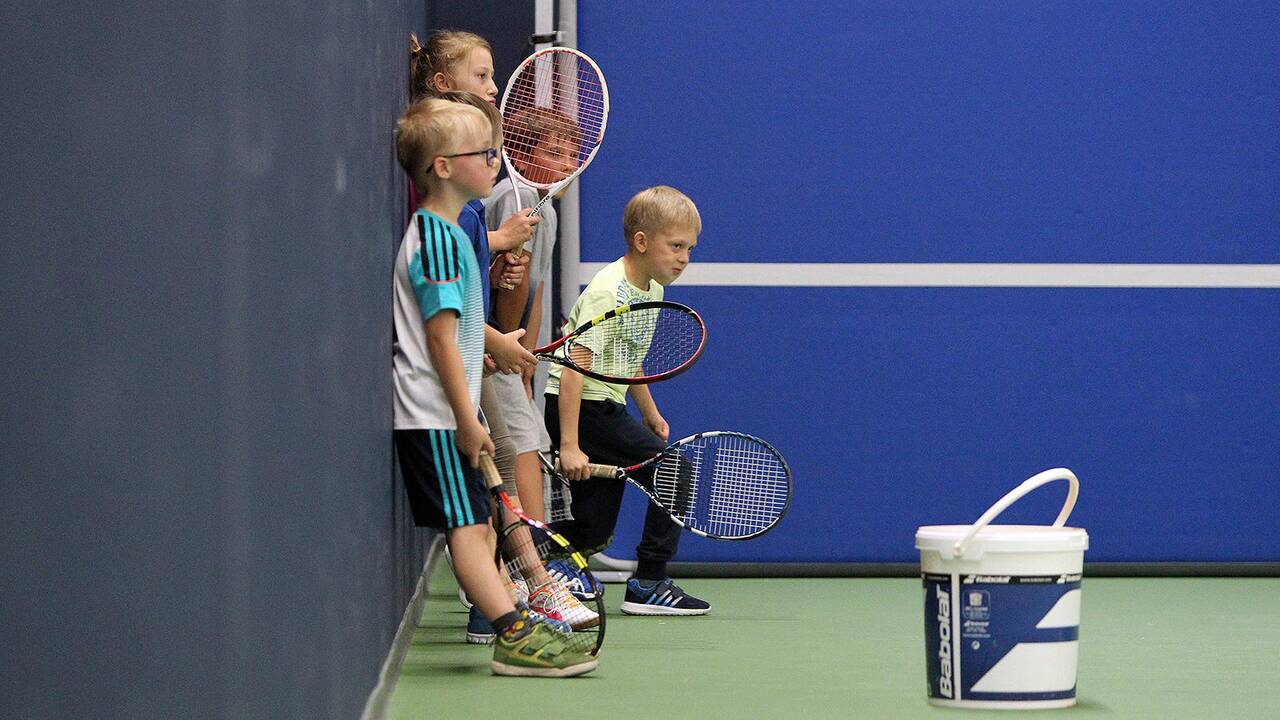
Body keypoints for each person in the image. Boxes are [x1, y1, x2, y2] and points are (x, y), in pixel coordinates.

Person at [392, 97, 595, 676]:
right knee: (466, 524)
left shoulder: (456, 234)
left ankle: (511, 616)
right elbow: (440, 338)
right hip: (434, 414)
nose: (494, 159)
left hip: (448, 411)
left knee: (479, 521)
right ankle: (513, 633)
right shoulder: (434, 239)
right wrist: (465, 416)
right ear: (443, 167)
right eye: (482, 152)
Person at [547, 186, 711, 616]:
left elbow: (626, 357)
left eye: (690, 249)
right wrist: (568, 443)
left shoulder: (651, 289)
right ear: (641, 241)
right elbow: (573, 369)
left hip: (605, 406)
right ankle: (650, 581)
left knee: (594, 530)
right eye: (675, 246)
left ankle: (525, 555)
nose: (684, 258)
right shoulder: (609, 292)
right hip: (582, 407)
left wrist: (650, 412)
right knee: (675, 467)